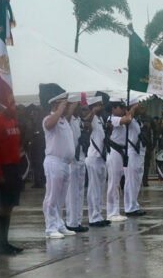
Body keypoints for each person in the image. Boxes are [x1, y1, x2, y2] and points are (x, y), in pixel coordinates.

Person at [0, 102, 26, 255]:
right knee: (2, 207)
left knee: (9, 206)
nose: (15, 107)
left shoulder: (13, 121)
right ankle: (0, 244)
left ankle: (5, 242)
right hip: (3, 168)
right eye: (11, 105)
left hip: (13, 167)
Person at [42, 93, 76, 238]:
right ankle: (50, 228)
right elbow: (49, 125)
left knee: (61, 197)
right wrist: (58, 111)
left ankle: (59, 224)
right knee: (52, 196)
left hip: (65, 163)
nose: (67, 107)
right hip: (54, 161)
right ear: (56, 105)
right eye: (64, 104)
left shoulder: (64, 121)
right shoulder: (50, 119)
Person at [84, 96, 111, 227]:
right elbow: (85, 122)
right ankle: (93, 217)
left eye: (102, 104)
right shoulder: (92, 117)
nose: (102, 107)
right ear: (92, 107)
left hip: (101, 157)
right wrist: (92, 112)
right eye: (98, 105)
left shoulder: (100, 119)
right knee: (94, 188)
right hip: (93, 157)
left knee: (100, 188)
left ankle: (99, 215)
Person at [64, 94, 89, 233]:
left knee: (79, 192)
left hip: (81, 159)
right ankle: (71, 222)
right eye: (79, 105)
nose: (81, 108)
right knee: (72, 193)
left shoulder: (78, 120)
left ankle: (77, 221)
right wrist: (71, 108)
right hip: (72, 161)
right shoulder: (68, 119)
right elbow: (66, 119)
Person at [105, 98, 131, 222]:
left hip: (120, 151)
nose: (123, 110)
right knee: (113, 183)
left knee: (117, 182)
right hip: (114, 151)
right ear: (114, 108)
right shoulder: (112, 118)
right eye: (121, 107)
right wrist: (129, 111)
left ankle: (115, 210)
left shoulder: (117, 118)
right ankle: (112, 212)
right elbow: (127, 119)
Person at [124, 99, 147, 216]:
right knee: (131, 181)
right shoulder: (129, 119)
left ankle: (134, 205)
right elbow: (128, 118)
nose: (141, 107)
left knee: (137, 181)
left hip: (139, 154)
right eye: (138, 105)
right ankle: (130, 207)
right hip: (132, 153)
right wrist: (132, 109)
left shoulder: (138, 121)